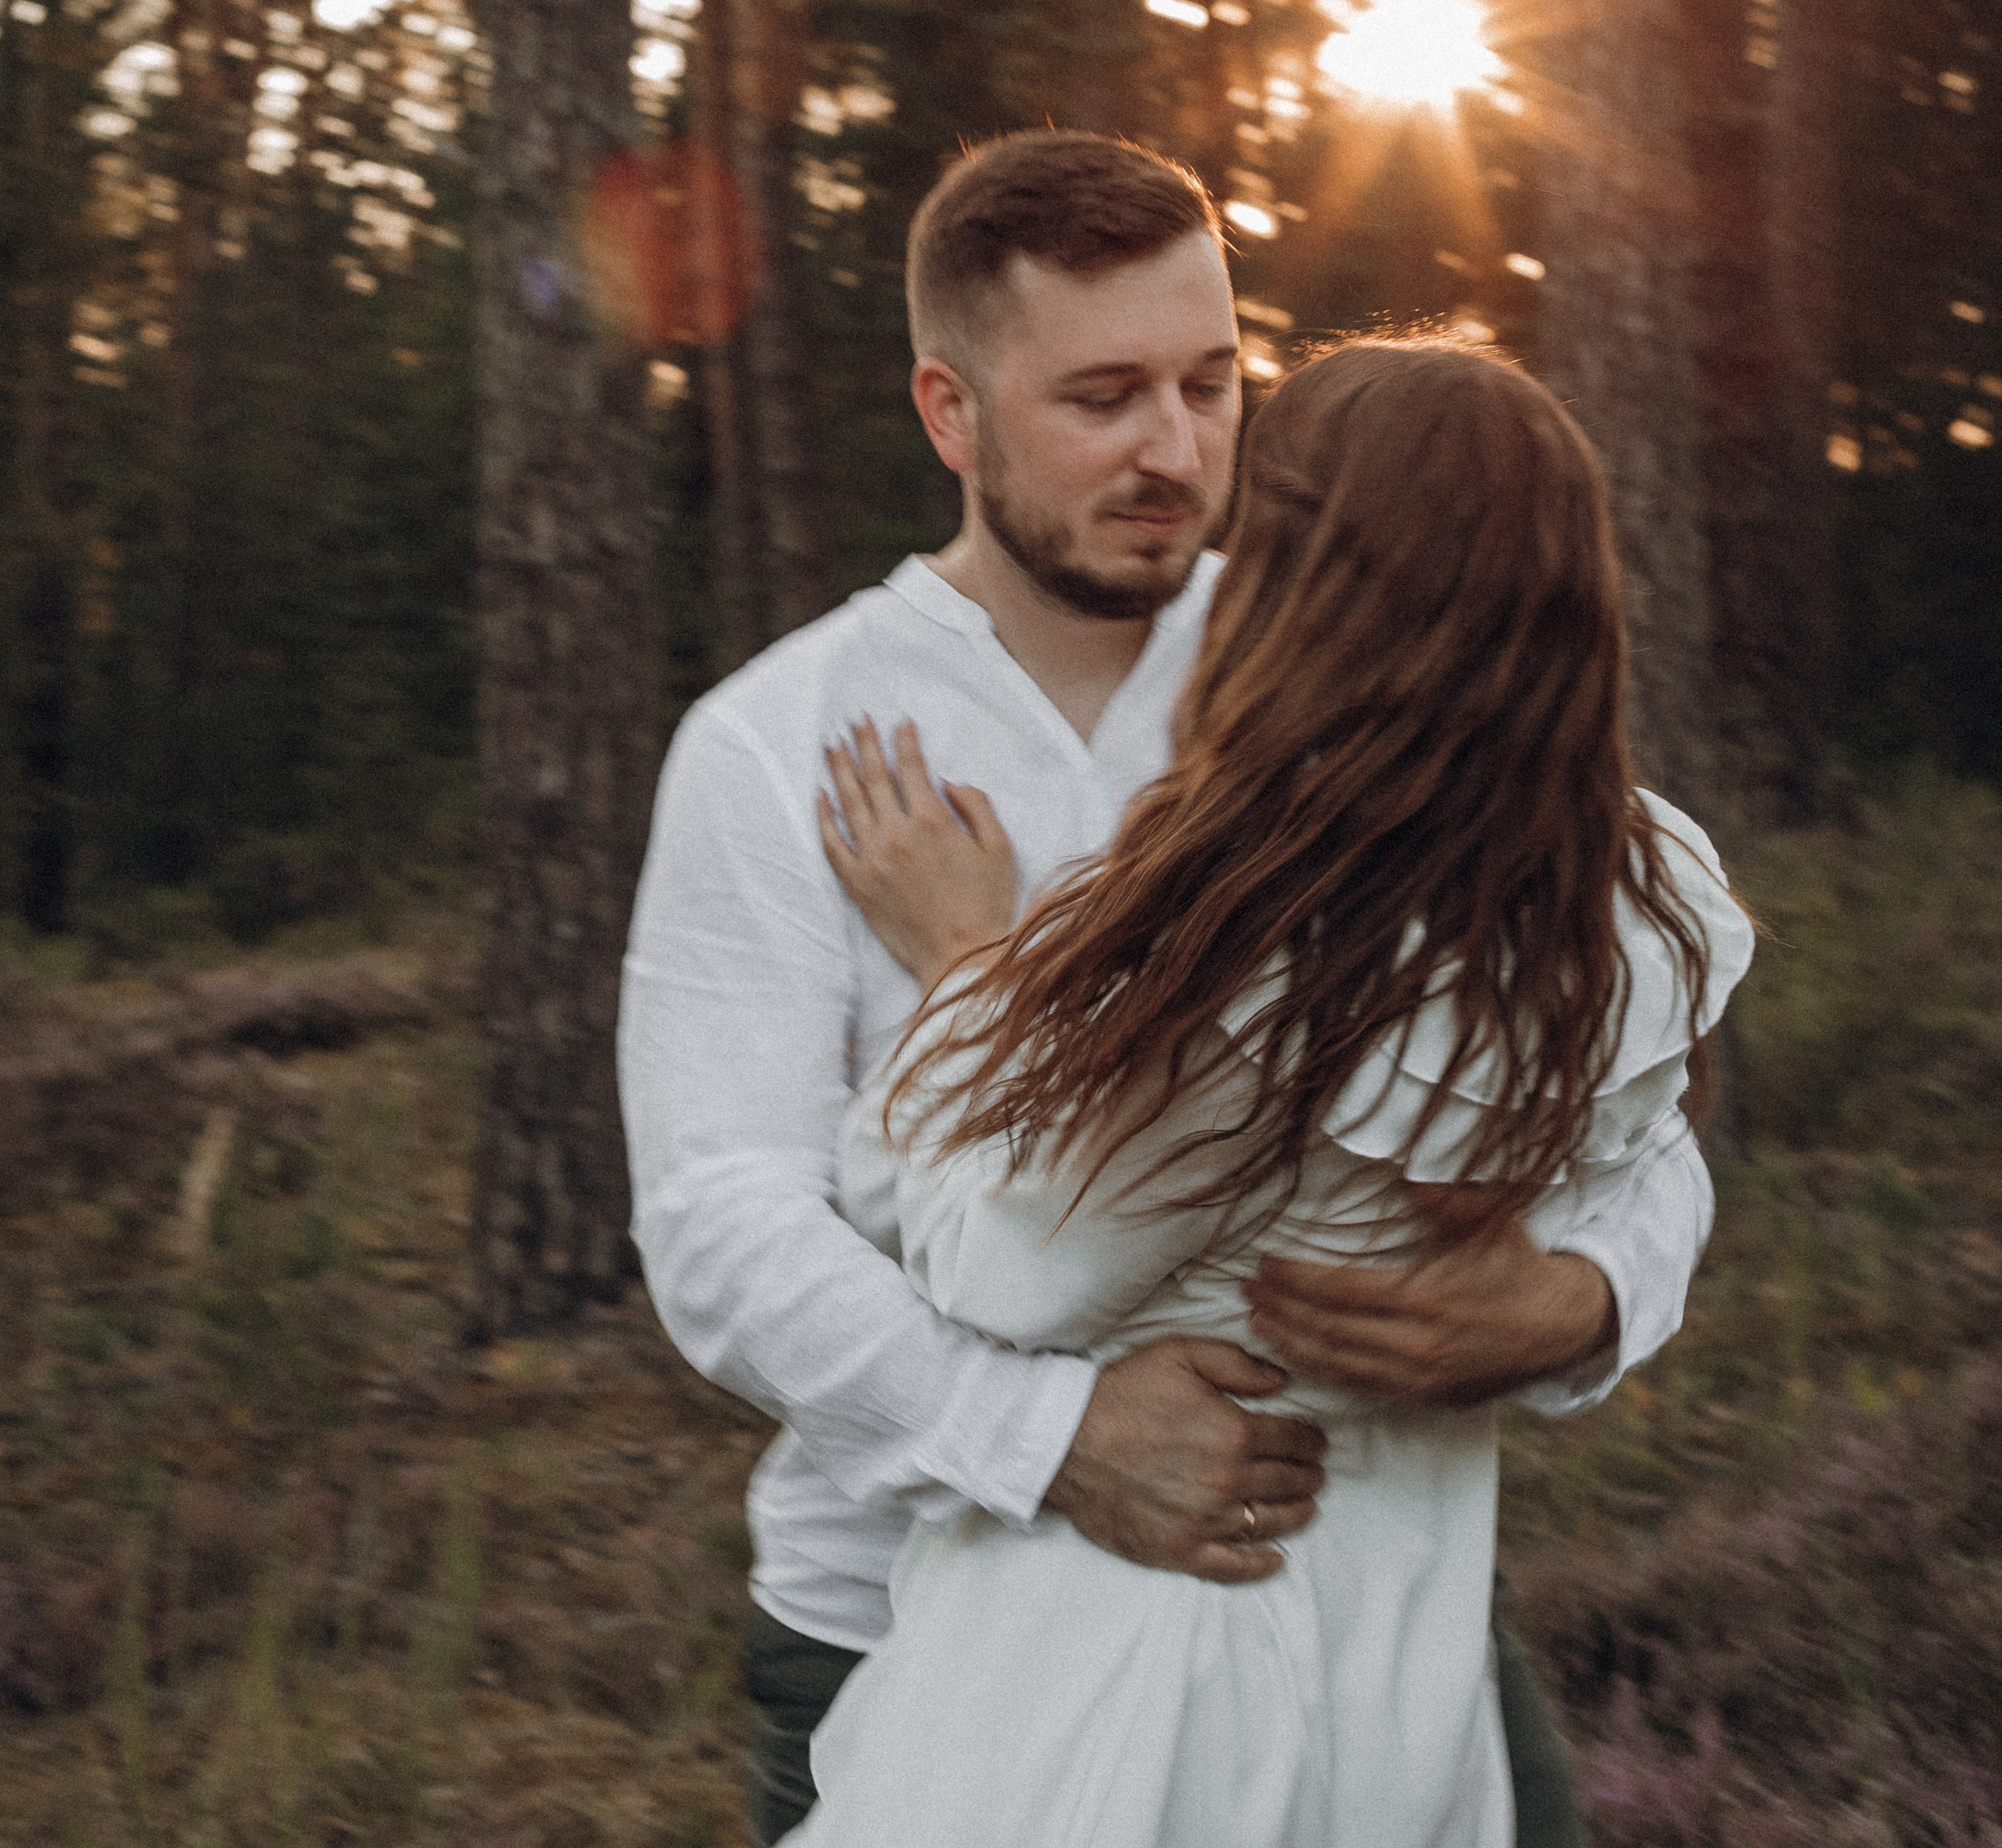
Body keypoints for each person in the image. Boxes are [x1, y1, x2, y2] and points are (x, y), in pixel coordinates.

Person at [619, 132, 1722, 1846]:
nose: (1176, 451)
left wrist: (1576, 1304)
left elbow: (1629, 1101)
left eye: (1212, 386)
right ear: (949, 411)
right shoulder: (781, 743)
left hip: (1366, 1607)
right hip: (905, 1622)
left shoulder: (1360, 646)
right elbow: (719, 1223)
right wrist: (1050, 1436)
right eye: (1104, 396)